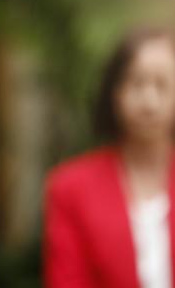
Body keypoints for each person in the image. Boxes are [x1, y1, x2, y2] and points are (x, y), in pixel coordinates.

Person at [43, 28, 175, 288]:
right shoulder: (70, 188)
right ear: (114, 92)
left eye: (162, 85)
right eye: (137, 83)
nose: (149, 101)